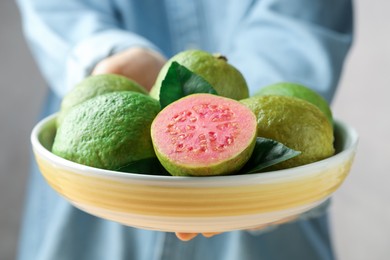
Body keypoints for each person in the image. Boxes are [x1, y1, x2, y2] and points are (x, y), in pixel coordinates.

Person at [16, 1, 353, 259]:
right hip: (96, 170)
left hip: (266, 214)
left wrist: (250, 121)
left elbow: (300, 18)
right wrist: (104, 49)